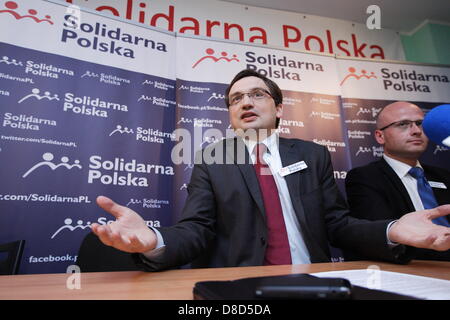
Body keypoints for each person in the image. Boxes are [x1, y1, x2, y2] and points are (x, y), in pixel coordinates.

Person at [91, 70, 450, 271]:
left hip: (313, 282)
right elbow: (197, 230)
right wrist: (155, 241)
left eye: (258, 95)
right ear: (231, 116)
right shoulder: (212, 159)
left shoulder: (313, 154)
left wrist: (391, 230)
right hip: (239, 292)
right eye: (236, 99)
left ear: (278, 108)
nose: (246, 101)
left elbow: (337, 224)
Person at [345, 101, 450, 261]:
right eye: (403, 124)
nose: (416, 131)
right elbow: (380, 238)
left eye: (420, 124)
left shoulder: (444, 176)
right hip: (417, 269)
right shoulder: (365, 178)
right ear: (380, 136)